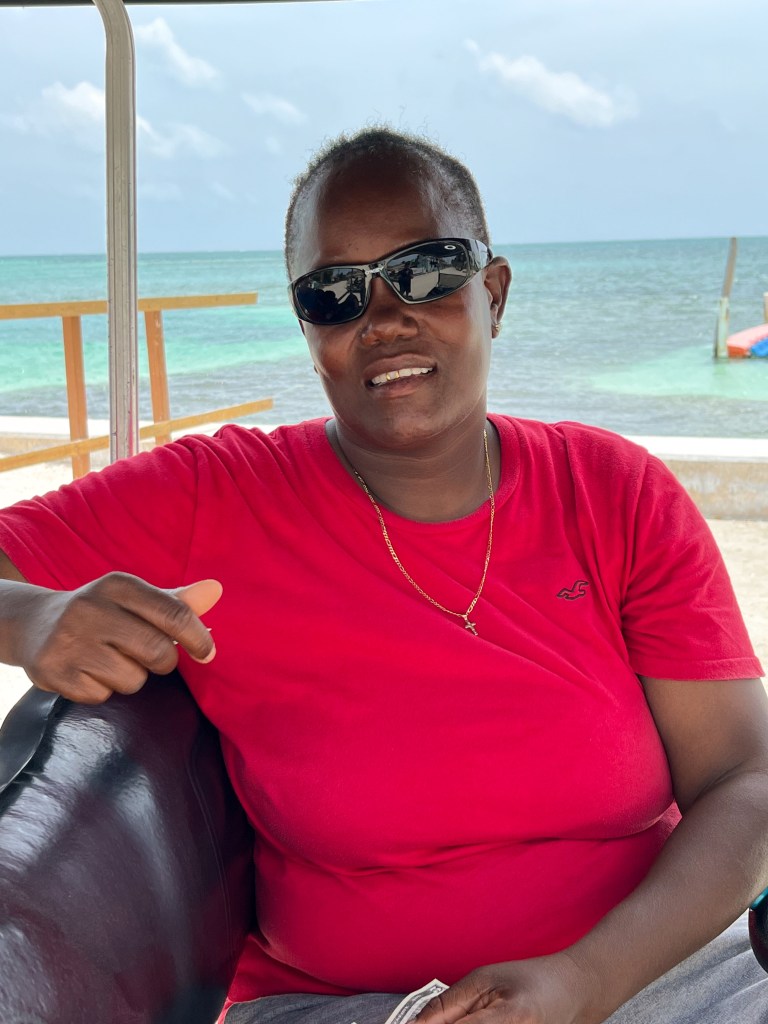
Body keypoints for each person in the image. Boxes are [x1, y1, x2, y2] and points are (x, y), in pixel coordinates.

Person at [0, 127, 766, 1024]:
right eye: (334, 293)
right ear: (308, 330)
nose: (385, 318)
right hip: (356, 1005)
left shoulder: (612, 492)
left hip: (657, 972)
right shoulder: (217, 496)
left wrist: (587, 980)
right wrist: (31, 617)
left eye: (428, 271)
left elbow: (743, 777)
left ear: (494, 293)